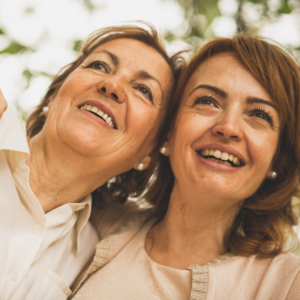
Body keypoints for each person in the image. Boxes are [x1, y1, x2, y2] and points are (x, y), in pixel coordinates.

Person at [70, 35, 300, 300]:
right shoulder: (96, 221)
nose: (228, 127)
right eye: (208, 101)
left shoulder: (287, 284)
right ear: (168, 132)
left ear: (277, 161)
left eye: (259, 115)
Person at [0, 22, 184, 300]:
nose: (111, 85)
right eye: (99, 66)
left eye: (144, 90)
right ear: (54, 92)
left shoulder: (97, 260)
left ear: (150, 152)